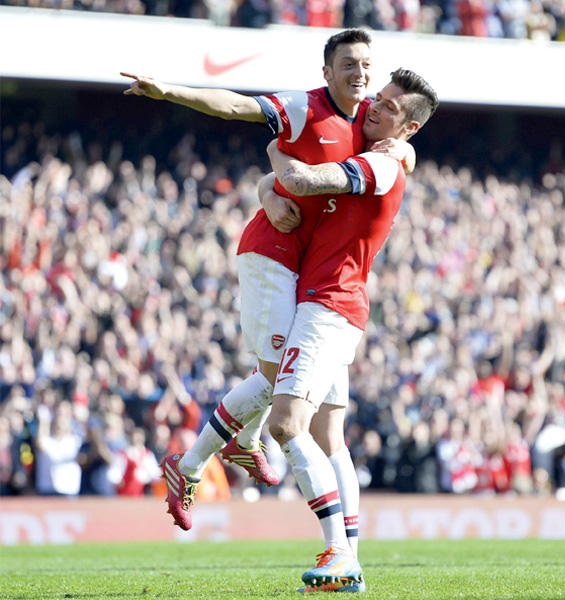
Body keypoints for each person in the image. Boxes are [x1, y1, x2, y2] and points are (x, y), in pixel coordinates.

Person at [121, 29, 380, 531]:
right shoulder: (305, 106)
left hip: (306, 269)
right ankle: (207, 456)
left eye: (366, 64)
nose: (359, 72)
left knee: (285, 381)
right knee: (279, 377)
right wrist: (170, 91)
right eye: (348, 63)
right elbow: (236, 107)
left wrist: (270, 180)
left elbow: (280, 160)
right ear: (327, 72)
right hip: (270, 255)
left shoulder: (368, 123)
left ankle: (205, 458)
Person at [260, 67, 438, 592]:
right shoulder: (382, 145)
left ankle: (337, 548)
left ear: (407, 129)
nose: (374, 107)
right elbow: (281, 184)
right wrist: (271, 184)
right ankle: (352, 561)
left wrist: (276, 154)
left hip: (327, 305)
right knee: (329, 438)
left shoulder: (382, 165)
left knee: (285, 425)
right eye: (377, 98)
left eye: (389, 107)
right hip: (336, 302)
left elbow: (302, 180)